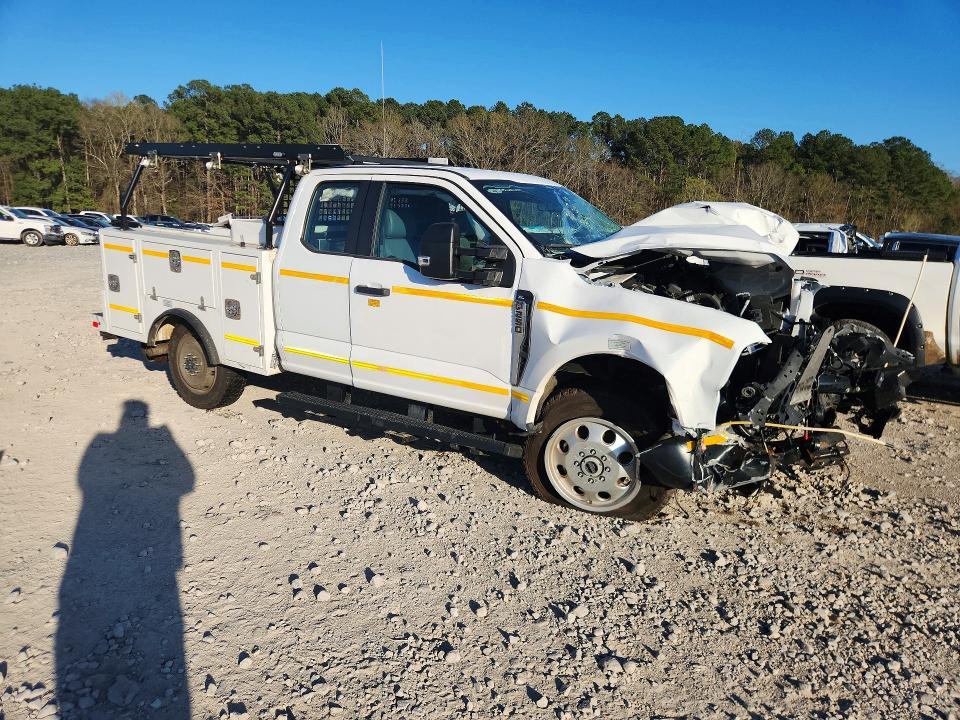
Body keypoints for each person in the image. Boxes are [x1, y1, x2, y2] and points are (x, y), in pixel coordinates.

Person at [56, 400, 193, 718]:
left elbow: (83, 479)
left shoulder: (100, 443)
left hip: (94, 539)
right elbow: (188, 480)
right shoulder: (111, 442)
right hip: (163, 554)